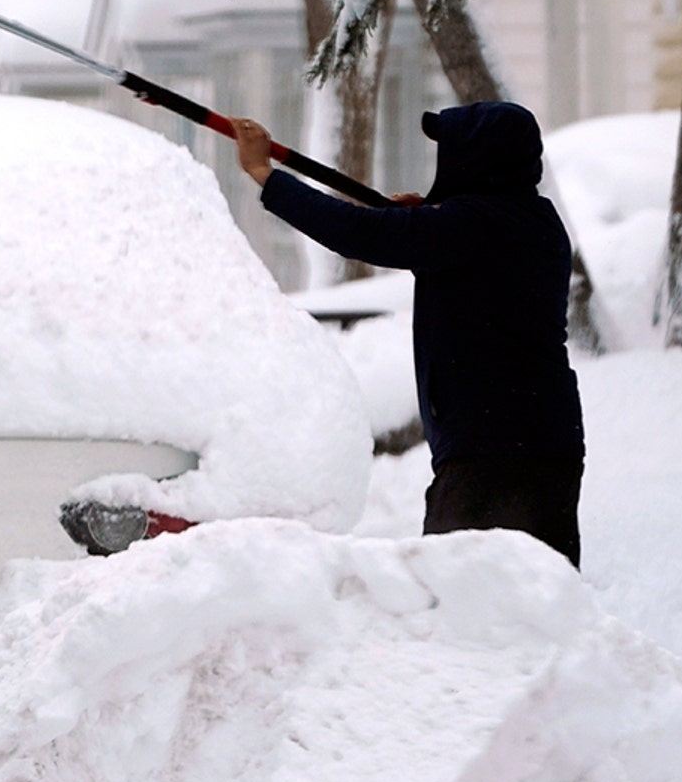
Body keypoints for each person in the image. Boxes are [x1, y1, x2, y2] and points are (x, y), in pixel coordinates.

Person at [232, 102, 585, 567]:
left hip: (492, 450)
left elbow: (360, 233)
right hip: (540, 441)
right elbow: (474, 272)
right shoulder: (532, 221)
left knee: (459, 597)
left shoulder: (469, 226)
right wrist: (424, 220)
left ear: (479, 158)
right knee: (536, 602)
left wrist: (265, 174)